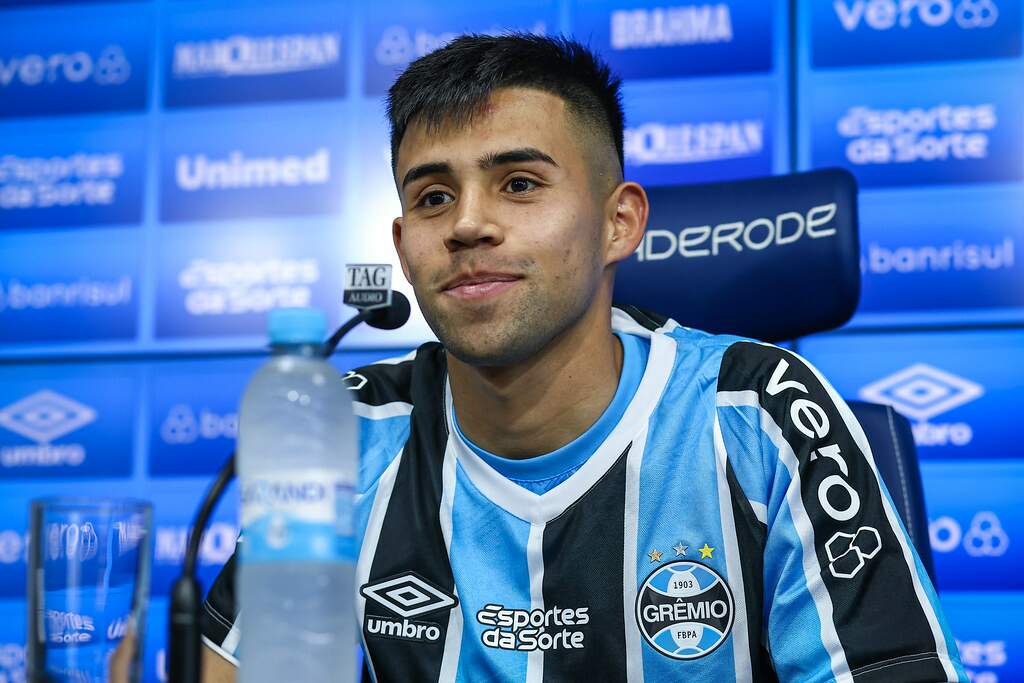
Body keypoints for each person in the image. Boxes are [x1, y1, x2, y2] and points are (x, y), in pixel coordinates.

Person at [197, 34, 967, 682]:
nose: (467, 224)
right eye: (433, 197)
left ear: (618, 223)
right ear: (403, 248)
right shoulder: (347, 428)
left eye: (519, 183)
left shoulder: (762, 411)